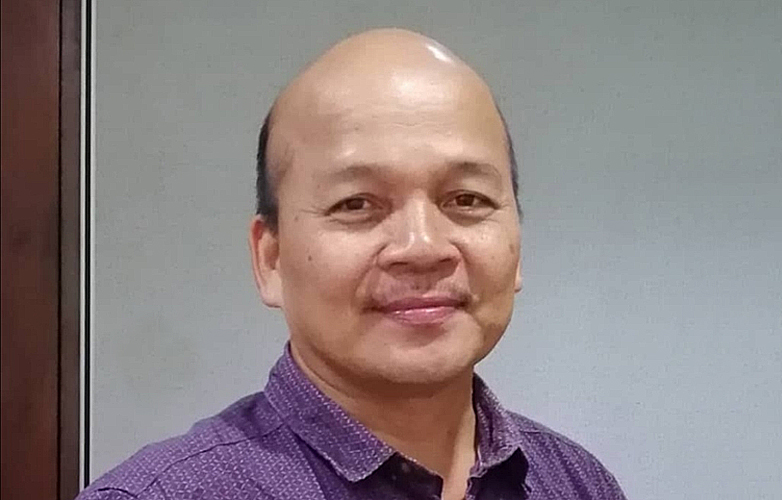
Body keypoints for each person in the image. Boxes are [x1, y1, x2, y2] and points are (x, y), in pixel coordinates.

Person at [77, 28, 627, 500]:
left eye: (466, 199)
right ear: (270, 258)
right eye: (357, 204)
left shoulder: (577, 483)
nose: (423, 246)